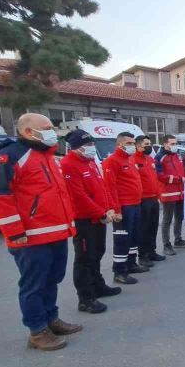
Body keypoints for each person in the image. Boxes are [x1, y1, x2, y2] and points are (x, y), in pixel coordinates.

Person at [0, 113, 81, 351]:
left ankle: (50, 319)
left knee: (52, 279)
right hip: (30, 237)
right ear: (28, 132)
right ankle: (37, 331)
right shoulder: (9, 157)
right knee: (34, 285)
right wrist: (15, 232)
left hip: (54, 233)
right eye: (46, 128)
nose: (52, 131)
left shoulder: (46, 155)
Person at [60, 130, 122, 315]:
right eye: (88, 145)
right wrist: (101, 211)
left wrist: (110, 208)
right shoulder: (68, 164)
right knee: (84, 258)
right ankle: (85, 298)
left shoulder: (91, 162)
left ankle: (98, 286)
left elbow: (102, 188)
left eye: (92, 144)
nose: (92, 148)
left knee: (98, 252)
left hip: (99, 217)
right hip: (84, 219)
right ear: (76, 148)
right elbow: (78, 196)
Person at [103, 131, 148, 285]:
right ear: (119, 144)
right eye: (129, 143)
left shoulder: (130, 160)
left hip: (135, 204)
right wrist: (116, 209)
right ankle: (119, 271)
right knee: (122, 239)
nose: (132, 146)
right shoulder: (112, 161)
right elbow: (110, 187)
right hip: (124, 206)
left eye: (133, 143)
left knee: (134, 236)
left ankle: (131, 263)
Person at [133, 135, 165, 267]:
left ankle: (152, 251)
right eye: (146, 144)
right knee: (143, 228)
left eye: (150, 143)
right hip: (142, 199)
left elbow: (155, 178)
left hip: (153, 198)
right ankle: (143, 255)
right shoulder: (133, 159)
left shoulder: (150, 159)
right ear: (138, 145)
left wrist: (158, 195)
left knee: (153, 226)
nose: (149, 146)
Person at [156, 135, 185, 255]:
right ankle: (166, 245)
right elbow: (160, 176)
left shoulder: (177, 156)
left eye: (176, 143)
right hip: (168, 193)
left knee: (179, 217)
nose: (175, 145)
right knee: (167, 219)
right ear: (165, 144)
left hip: (180, 192)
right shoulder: (160, 157)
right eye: (172, 143)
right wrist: (178, 179)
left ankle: (178, 239)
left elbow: (183, 171)